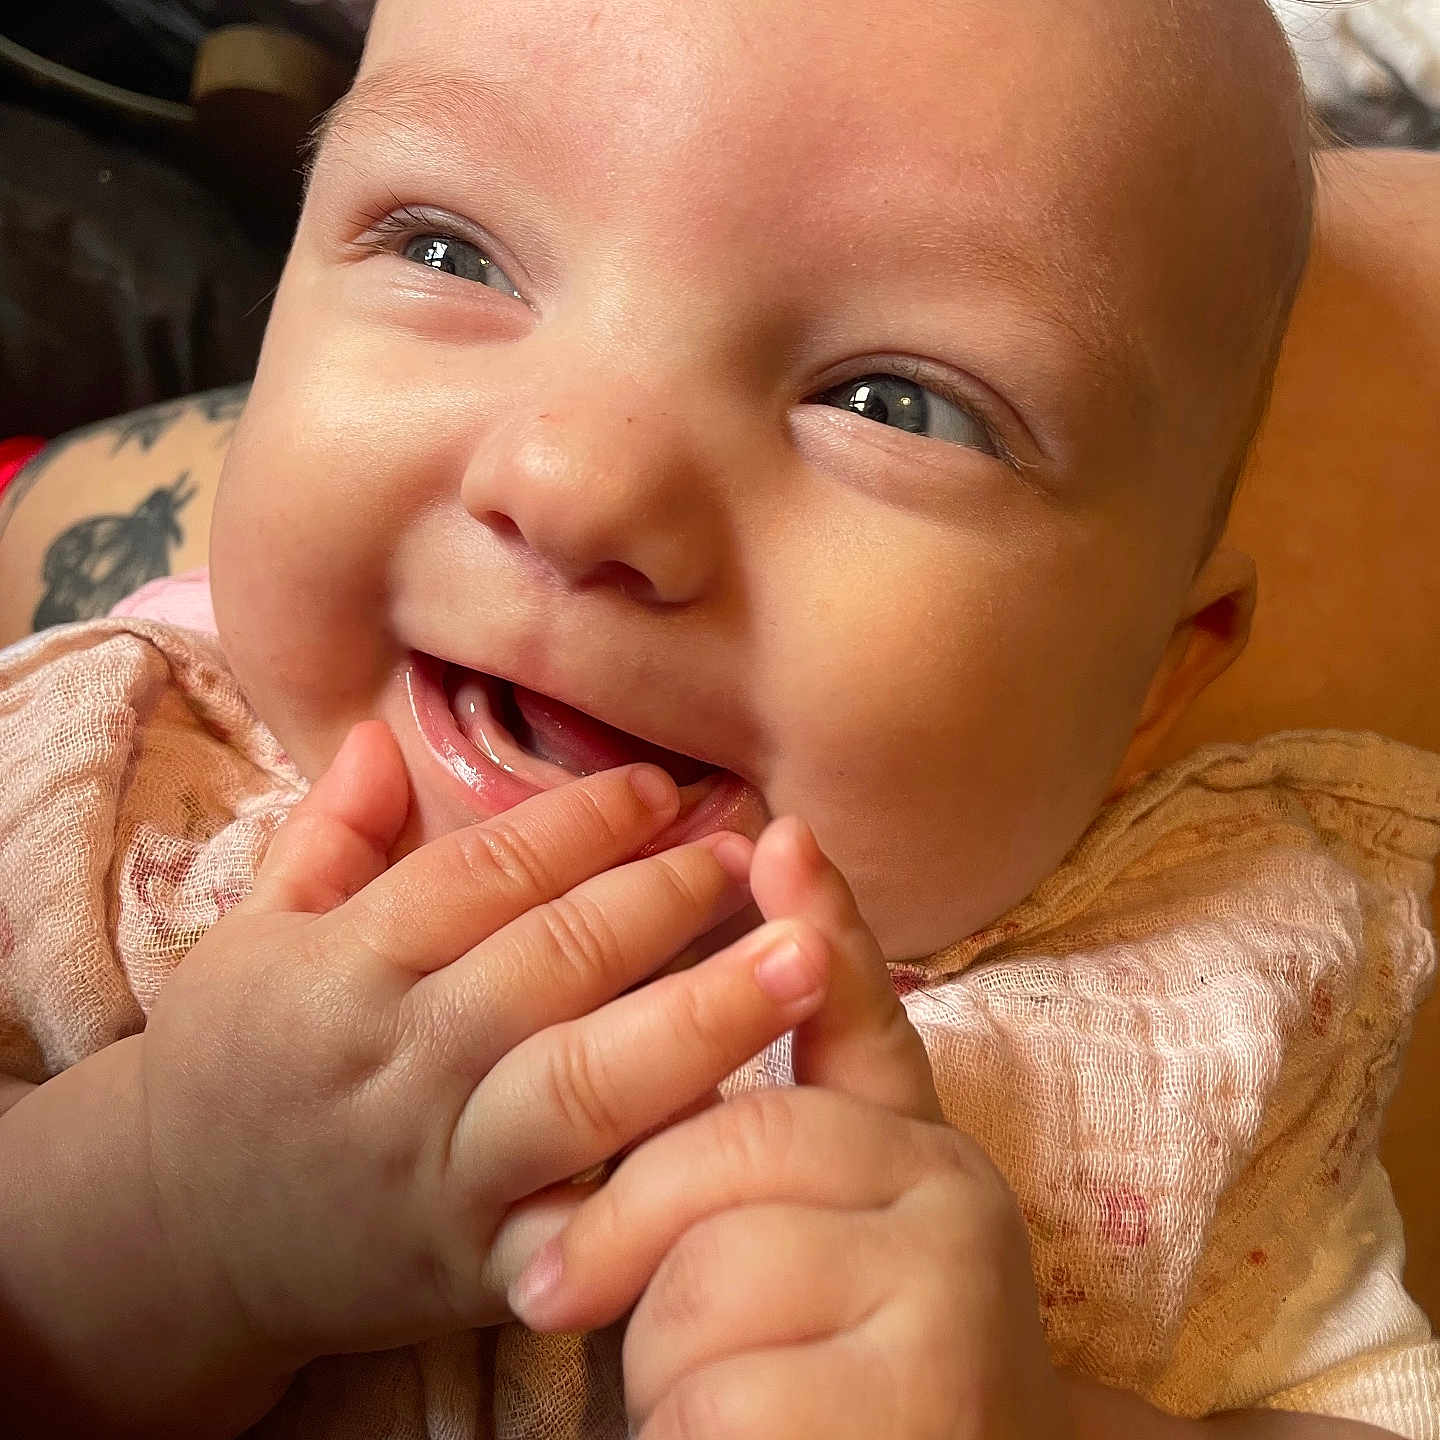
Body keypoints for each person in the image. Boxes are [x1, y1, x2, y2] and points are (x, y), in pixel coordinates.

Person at [1, 0, 1436, 1436]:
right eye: (451, 250)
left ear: (1153, 684)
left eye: (893, 403)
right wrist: (166, 1217)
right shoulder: (90, 798)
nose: (579, 487)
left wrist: (1038, 1419)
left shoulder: (1194, 1021)